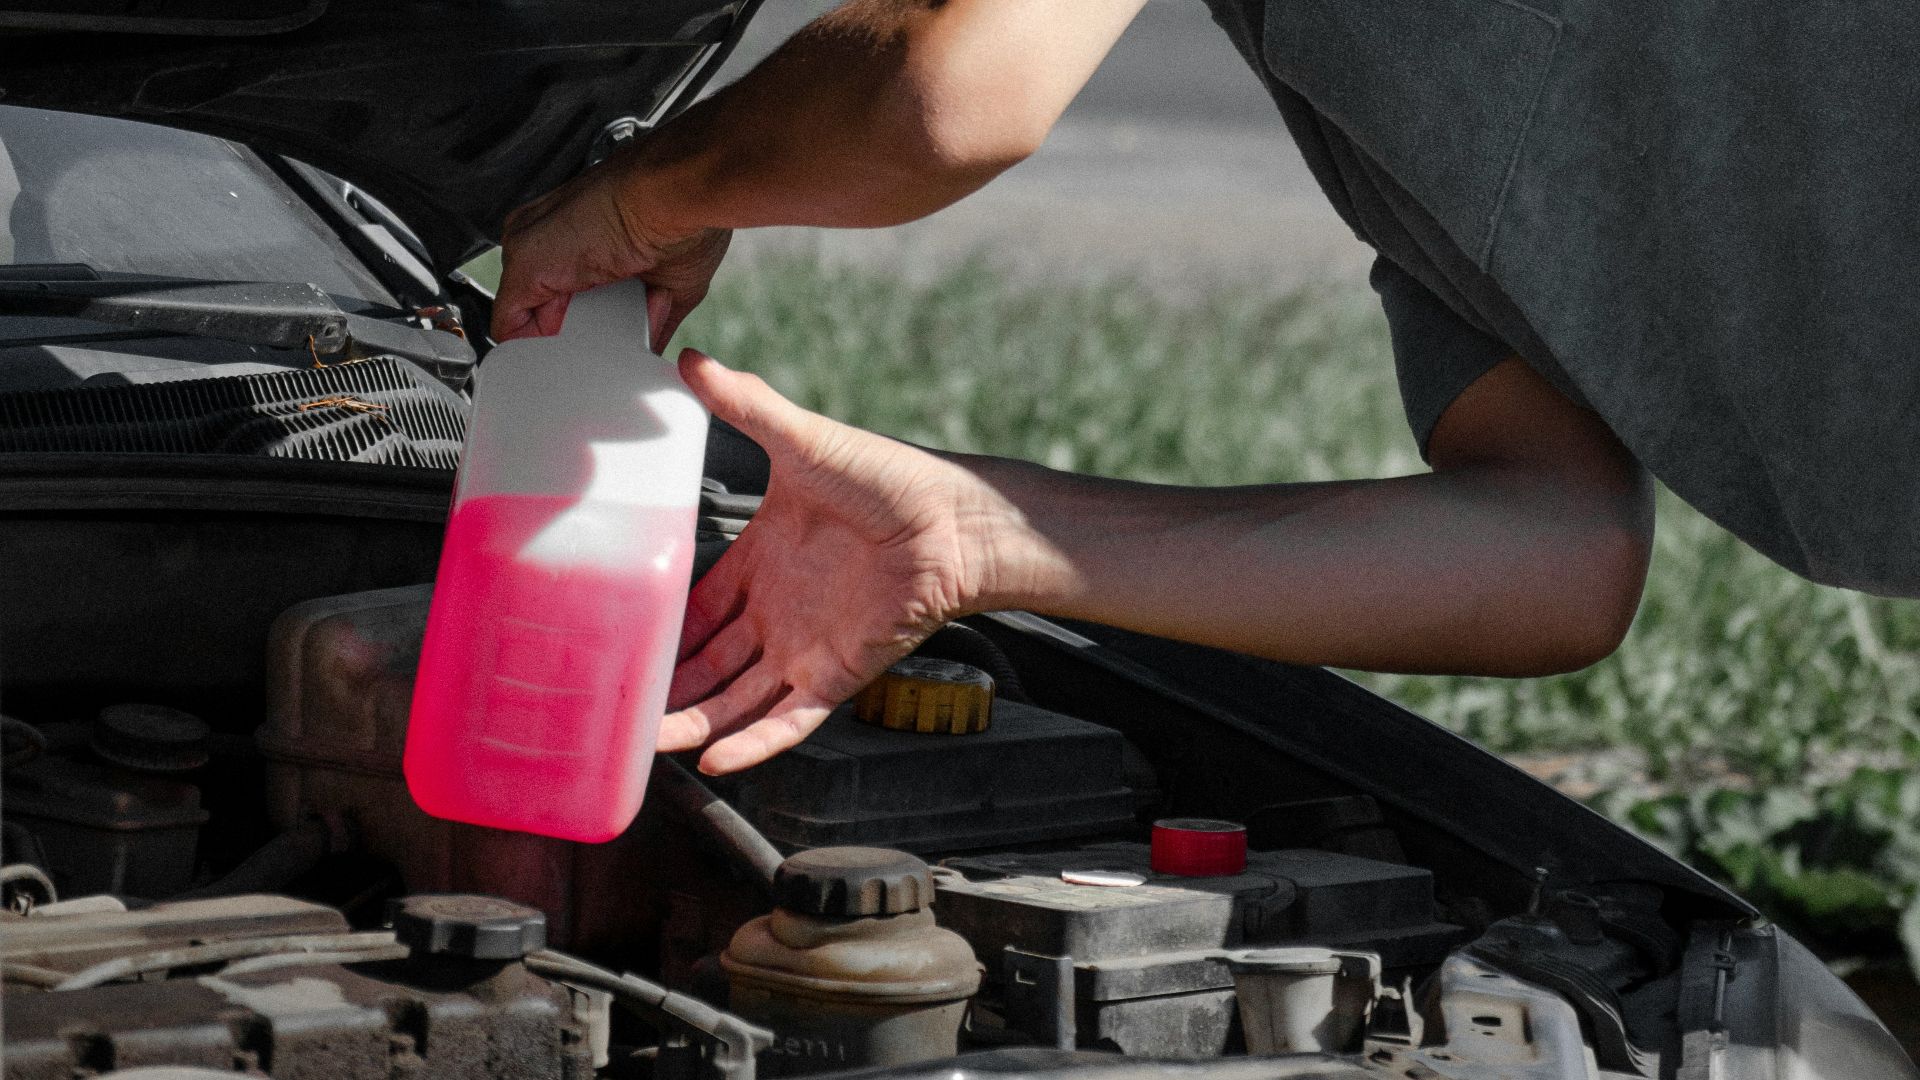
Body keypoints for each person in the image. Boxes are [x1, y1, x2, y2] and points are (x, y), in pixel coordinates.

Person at [491, 0, 1920, 776]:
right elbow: (1556, 552)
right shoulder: (1381, 83)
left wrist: (643, 193)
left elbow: (946, 96)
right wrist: (976, 536)